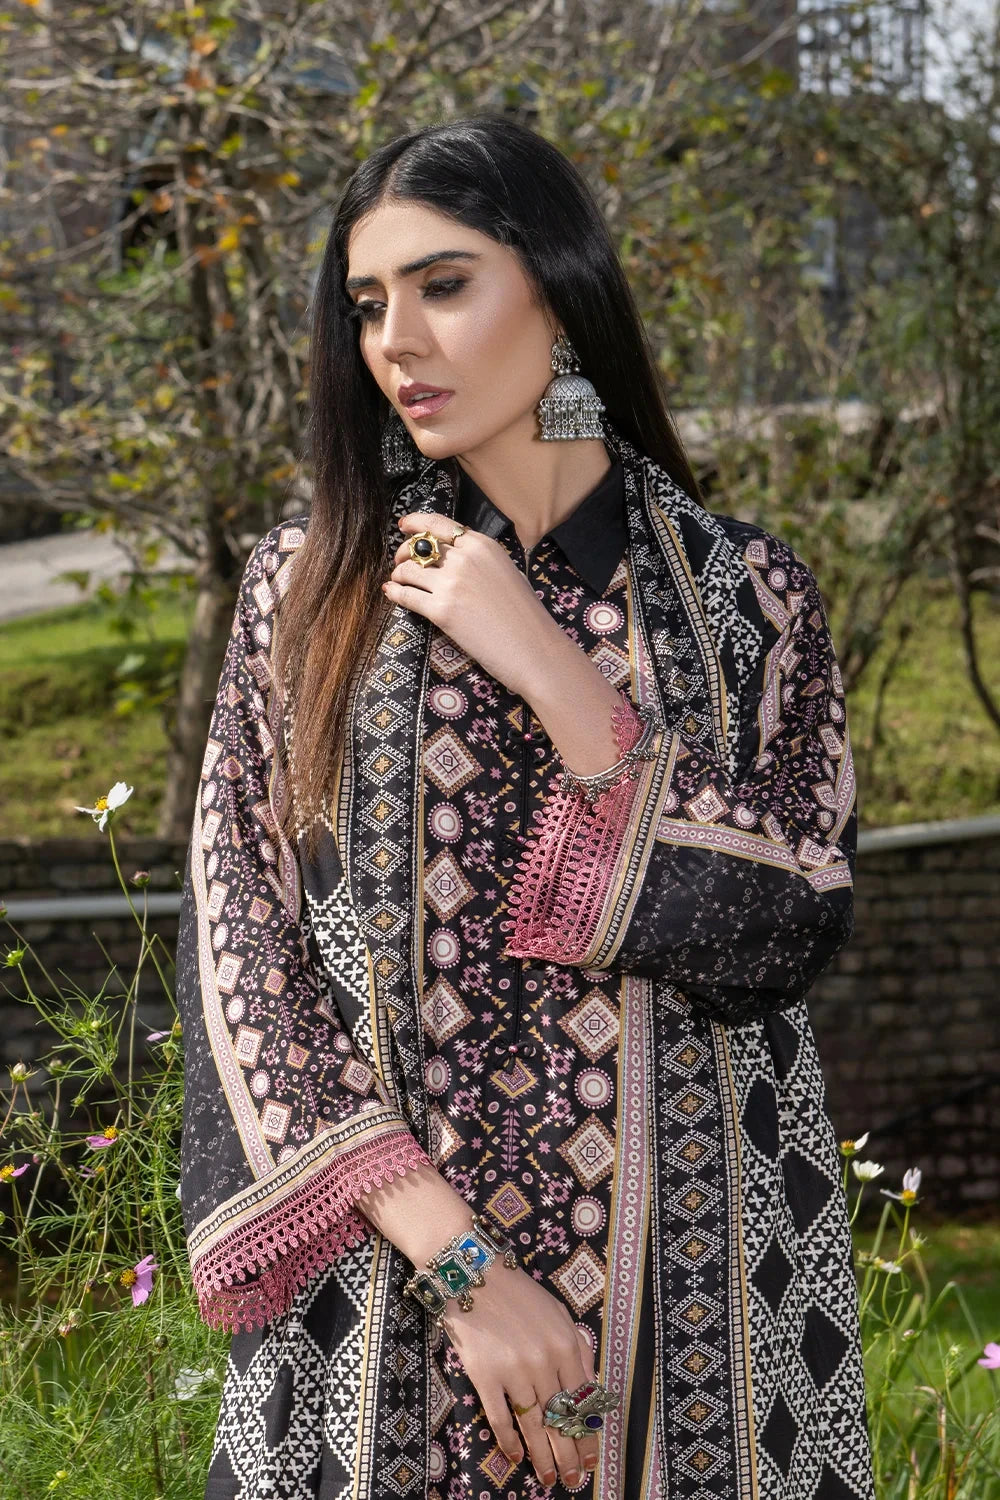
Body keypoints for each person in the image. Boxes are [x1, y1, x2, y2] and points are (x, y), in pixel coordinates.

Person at [176, 114, 875, 1500]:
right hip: (389, 1305)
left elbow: (789, 922)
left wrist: (558, 675)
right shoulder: (309, 590)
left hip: (702, 1325)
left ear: (556, 292)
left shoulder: (747, 600)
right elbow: (244, 952)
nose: (396, 341)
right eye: (367, 303)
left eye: (443, 285)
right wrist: (470, 1274)